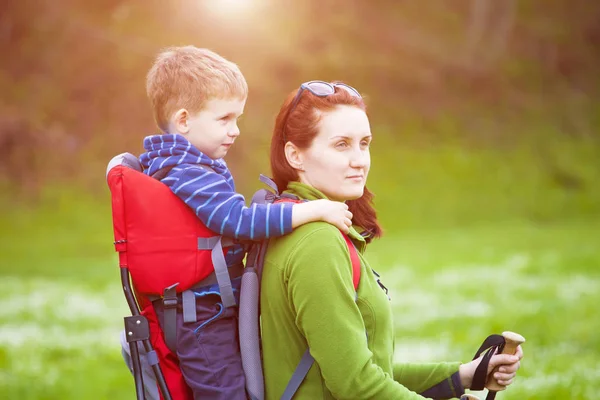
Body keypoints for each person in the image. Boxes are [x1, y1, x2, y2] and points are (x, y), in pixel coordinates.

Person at [259, 81, 523, 399]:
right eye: (341, 144)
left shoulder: (290, 224)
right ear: (295, 155)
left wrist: (464, 375)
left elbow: (358, 371)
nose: (360, 160)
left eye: (364, 143)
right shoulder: (318, 242)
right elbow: (356, 387)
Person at [124, 48, 353, 400]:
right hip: (202, 319)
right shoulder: (187, 172)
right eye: (225, 119)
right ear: (184, 120)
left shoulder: (178, 163)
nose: (235, 131)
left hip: (203, 310)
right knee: (227, 394)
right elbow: (238, 221)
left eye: (238, 118)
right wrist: (314, 210)